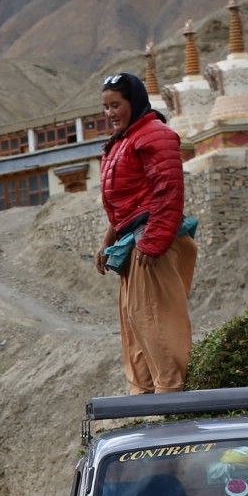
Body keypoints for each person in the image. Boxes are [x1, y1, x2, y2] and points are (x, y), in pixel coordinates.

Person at [95, 71, 198, 394]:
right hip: (134, 244)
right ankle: (146, 397)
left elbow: (168, 191)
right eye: (106, 107)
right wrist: (107, 243)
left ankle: (172, 396)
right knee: (136, 321)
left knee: (156, 320)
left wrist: (153, 243)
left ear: (134, 102)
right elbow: (125, 203)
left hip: (150, 244)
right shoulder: (123, 141)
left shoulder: (155, 135)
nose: (111, 113)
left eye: (116, 105)